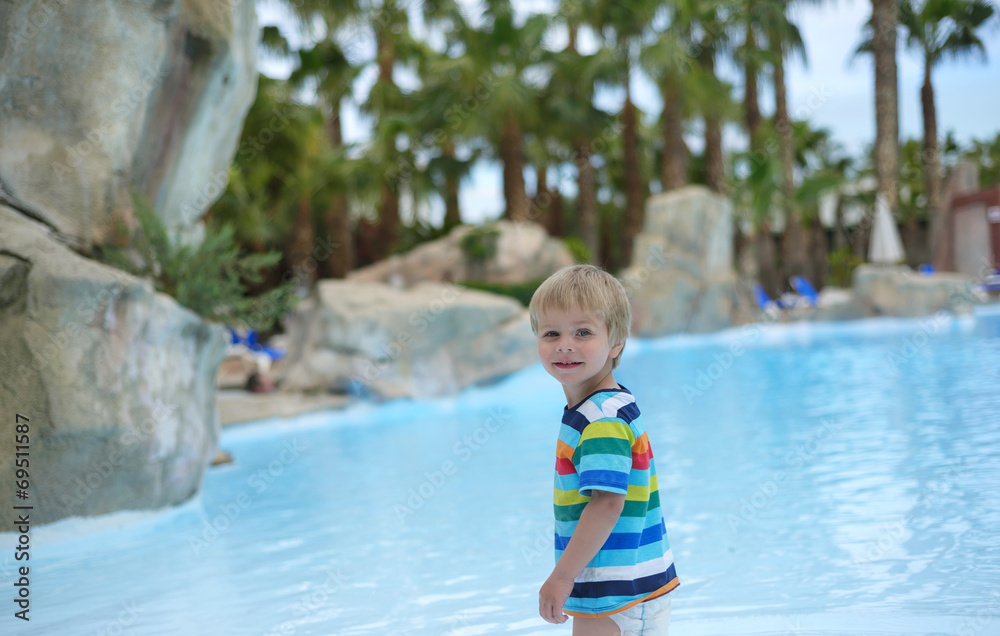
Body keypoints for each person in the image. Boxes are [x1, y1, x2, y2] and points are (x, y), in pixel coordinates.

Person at [528, 264, 679, 635]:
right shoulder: (608, 405)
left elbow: (607, 503)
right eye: (551, 333)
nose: (565, 344)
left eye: (583, 332)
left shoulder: (600, 420)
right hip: (629, 581)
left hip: (616, 590)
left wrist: (562, 578)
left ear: (616, 343)